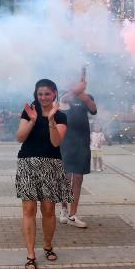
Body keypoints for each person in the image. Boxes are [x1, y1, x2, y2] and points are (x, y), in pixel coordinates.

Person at [15, 79, 72, 269]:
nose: (43, 97)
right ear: (36, 94)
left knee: (48, 210)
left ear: (54, 93)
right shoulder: (28, 111)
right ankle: (30, 254)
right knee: (28, 210)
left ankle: (48, 246)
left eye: (47, 94)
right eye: (40, 94)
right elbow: (20, 137)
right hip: (27, 163)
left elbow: (56, 143)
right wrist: (32, 121)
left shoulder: (61, 116)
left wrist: (51, 121)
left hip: (51, 163)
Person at [58, 79, 97, 228]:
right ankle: (63, 209)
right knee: (65, 177)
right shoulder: (64, 95)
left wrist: (84, 96)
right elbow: (63, 102)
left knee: (78, 178)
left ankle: (73, 215)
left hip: (82, 142)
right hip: (65, 141)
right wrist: (75, 91)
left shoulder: (87, 97)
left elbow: (93, 109)